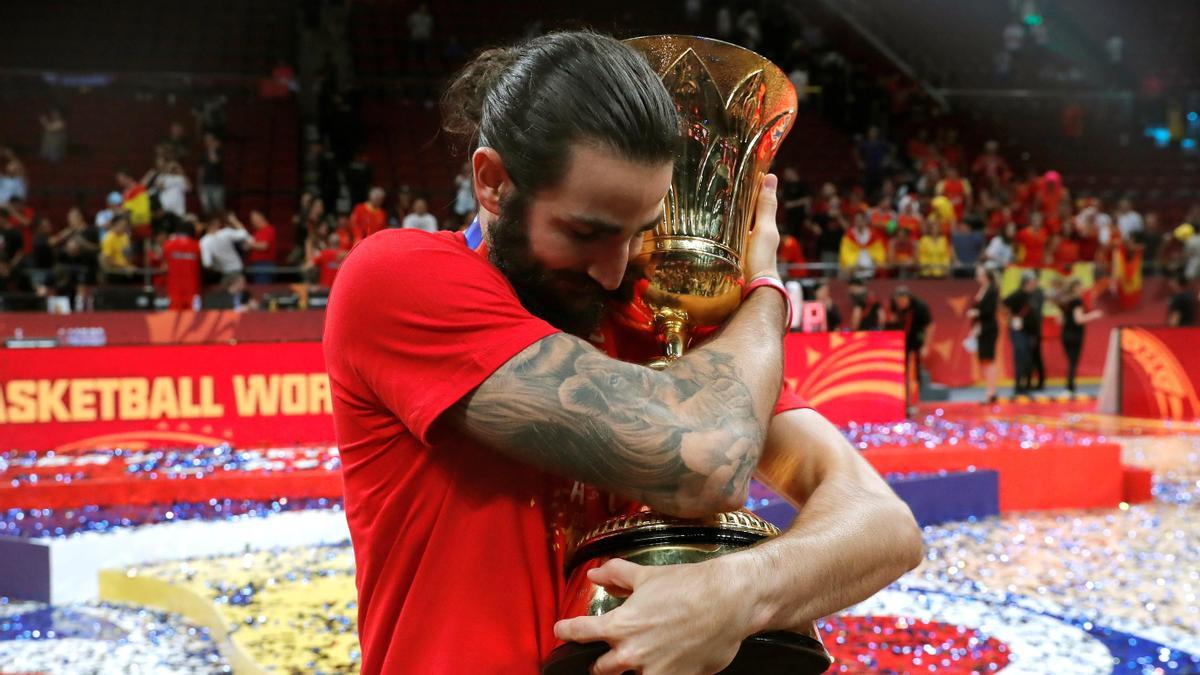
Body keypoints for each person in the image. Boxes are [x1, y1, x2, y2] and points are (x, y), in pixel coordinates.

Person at [322, 31, 921, 674]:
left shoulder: (651, 318)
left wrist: (736, 592)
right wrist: (766, 295)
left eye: (638, 232)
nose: (613, 273)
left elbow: (885, 525)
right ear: (493, 183)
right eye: (587, 232)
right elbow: (706, 463)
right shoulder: (399, 278)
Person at [886, 286, 933, 403]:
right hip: (897, 344)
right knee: (897, 371)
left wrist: (926, 346)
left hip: (915, 342)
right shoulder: (892, 305)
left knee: (913, 372)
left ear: (909, 299)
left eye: (903, 301)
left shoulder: (920, 307)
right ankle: (899, 399)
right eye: (898, 301)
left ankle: (913, 400)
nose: (901, 304)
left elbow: (930, 327)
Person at [1057, 278, 1102, 395]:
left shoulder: (1065, 302)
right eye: (1081, 286)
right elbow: (1079, 319)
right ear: (1076, 288)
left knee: (1070, 361)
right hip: (1075, 334)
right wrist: (1094, 315)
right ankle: (1069, 387)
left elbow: (1059, 320)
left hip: (1065, 334)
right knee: (1073, 361)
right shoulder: (1077, 301)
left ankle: (1070, 385)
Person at [967, 265, 1000, 404]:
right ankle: (990, 391)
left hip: (988, 328)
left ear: (986, 275)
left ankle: (991, 392)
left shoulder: (992, 290)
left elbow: (989, 310)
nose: (977, 277)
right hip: (981, 328)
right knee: (984, 361)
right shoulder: (983, 289)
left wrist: (977, 313)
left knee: (988, 359)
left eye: (979, 274)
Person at [1004, 270, 1039, 396]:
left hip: (1030, 332)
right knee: (1020, 358)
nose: (1036, 284)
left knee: (1028, 359)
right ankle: (1018, 386)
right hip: (1019, 332)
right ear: (1027, 282)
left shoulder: (1034, 295)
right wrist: (1011, 319)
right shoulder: (1018, 294)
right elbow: (1004, 304)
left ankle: (1026, 385)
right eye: (1034, 282)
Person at [199, 214, 252, 286]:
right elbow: (244, 234)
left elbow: (207, 264)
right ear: (218, 224)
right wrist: (234, 221)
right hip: (236, 268)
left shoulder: (203, 241)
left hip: (221, 272)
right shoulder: (226, 233)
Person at [162, 221, 202, 310]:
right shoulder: (197, 246)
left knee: (174, 321)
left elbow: (164, 265)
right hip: (193, 290)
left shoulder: (168, 245)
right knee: (195, 321)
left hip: (174, 291)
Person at [241, 211, 277, 285]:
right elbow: (250, 244)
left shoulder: (269, 229)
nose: (252, 221)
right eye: (251, 219)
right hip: (256, 264)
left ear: (261, 217)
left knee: (262, 288)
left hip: (264, 265)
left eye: (254, 218)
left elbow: (264, 246)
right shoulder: (256, 232)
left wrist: (250, 245)